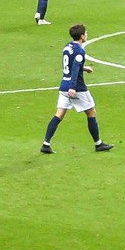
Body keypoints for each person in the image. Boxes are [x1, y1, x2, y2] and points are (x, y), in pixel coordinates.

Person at [41, 23, 112, 154]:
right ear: (82, 36)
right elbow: (74, 68)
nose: (87, 35)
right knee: (91, 112)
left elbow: (70, 64)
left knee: (59, 114)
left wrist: (84, 68)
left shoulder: (67, 47)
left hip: (64, 85)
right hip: (76, 87)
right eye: (86, 33)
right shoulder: (80, 51)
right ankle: (98, 144)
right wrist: (73, 87)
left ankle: (46, 143)